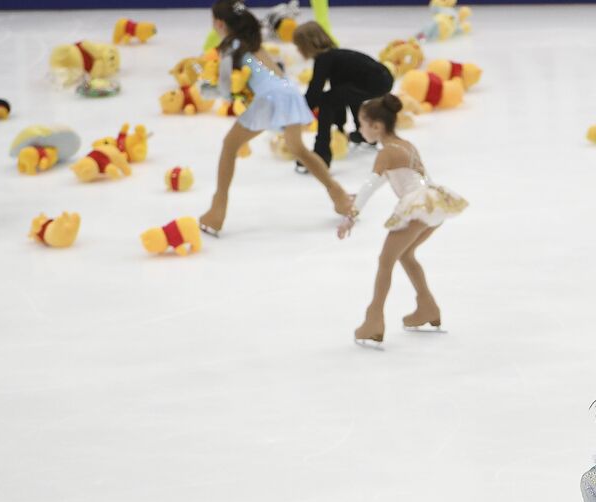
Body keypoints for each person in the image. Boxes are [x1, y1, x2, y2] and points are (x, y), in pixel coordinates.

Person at [198, 0, 349, 236]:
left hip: (270, 98)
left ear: (218, 23)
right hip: (289, 92)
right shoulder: (254, 44)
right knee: (299, 149)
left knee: (229, 146)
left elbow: (226, 91)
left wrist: (205, 88)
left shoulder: (230, 48)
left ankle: (217, 211)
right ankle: (339, 195)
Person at [338, 94, 466, 347]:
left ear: (376, 126)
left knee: (385, 260)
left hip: (417, 208)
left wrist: (350, 217)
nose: (359, 129)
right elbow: (406, 177)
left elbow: (370, 186)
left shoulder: (386, 152)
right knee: (405, 256)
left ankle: (373, 320)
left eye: (361, 124)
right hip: (433, 206)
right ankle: (427, 306)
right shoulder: (405, 145)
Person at [291, 21, 393, 169]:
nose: (298, 51)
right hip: (382, 78)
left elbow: (315, 92)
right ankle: (364, 135)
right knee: (341, 94)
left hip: (376, 81)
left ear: (307, 44)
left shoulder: (324, 59)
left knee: (326, 100)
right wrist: (339, 125)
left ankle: (321, 155)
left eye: (298, 46)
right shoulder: (335, 56)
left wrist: (297, 113)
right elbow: (338, 92)